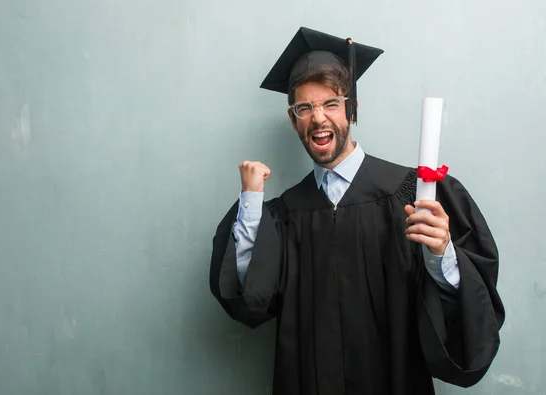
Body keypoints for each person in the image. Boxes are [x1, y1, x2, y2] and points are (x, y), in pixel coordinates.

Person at [209, 27, 505, 395]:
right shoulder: (284, 216)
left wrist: (442, 256)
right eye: (305, 108)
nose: (318, 118)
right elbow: (252, 298)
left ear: (352, 109)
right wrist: (250, 203)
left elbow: (471, 304)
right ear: (293, 119)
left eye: (331, 103)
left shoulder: (414, 194)